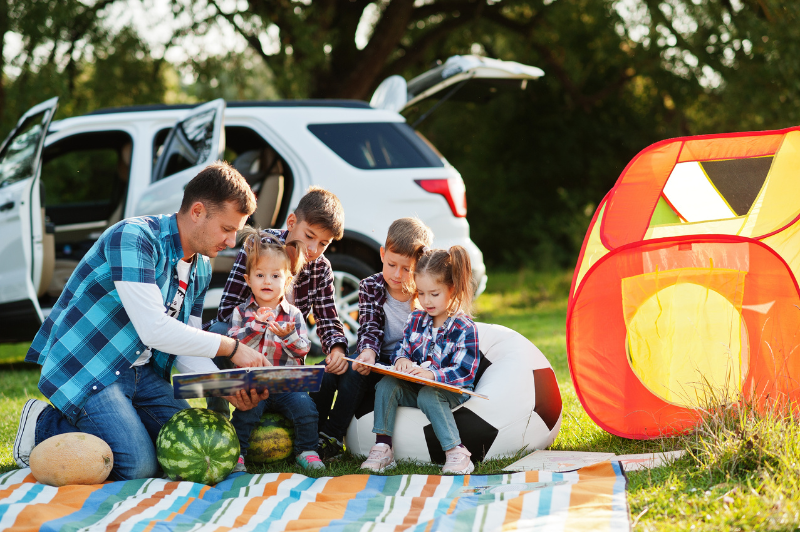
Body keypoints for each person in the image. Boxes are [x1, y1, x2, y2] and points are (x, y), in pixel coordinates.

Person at [13, 161, 271, 481]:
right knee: (136, 466)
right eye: (227, 229)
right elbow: (155, 328)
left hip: (143, 373)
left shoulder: (201, 266)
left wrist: (224, 389)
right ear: (198, 212)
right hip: (91, 364)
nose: (231, 242)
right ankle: (41, 424)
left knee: (179, 453)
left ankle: (121, 422)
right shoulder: (135, 237)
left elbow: (187, 343)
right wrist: (232, 348)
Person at [205, 186, 349, 416]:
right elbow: (227, 310)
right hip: (248, 339)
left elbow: (328, 319)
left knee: (339, 362)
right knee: (218, 331)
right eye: (310, 236)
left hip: (284, 352)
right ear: (291, 221)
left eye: (323, 244)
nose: (313, 249)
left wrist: (338, 348)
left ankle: (302, 423)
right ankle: (218, 415)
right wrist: (257, 323)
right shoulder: (258, 245)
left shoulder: (321, 268)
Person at [312, 218, 433, 460]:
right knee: (329, 371)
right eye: (391, 264)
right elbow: (371, 327)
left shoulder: (426, 294)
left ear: (421, 266)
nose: (397, 275)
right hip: (377, 355)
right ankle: (310, 432)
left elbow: (426, 338)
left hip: (408, 365)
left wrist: (406, 360)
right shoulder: (371, 286)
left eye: (407, 268)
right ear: (382, 254)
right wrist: (367, 352)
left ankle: (332, 435)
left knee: (355, 373)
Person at [360, 246, 479, 475]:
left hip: (452, 390)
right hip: (418, 385)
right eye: (421, 293)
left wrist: (433, 375)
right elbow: (402, 348)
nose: (426, 301)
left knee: (429, 393)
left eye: (434, 294)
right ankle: (383, 447)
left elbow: (466, 371)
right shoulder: (415, 318)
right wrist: (401, 360)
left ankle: (457, 452)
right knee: (386, 384)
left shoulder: (464, 327)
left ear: (452, 289)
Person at [225, 228, 324, 471]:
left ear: (287, 281)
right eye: (260, 275)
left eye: (275, 276)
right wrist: (255, 326)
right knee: (245, 414)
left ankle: (307, 450)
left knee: (306, 409)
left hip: (286, 384)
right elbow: (234, 342)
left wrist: (288, 336)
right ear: (248, 280)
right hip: (253, 384)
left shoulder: (294, 315)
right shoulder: (241, 313)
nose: (267, 281)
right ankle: (239, 455)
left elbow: (303, 350)